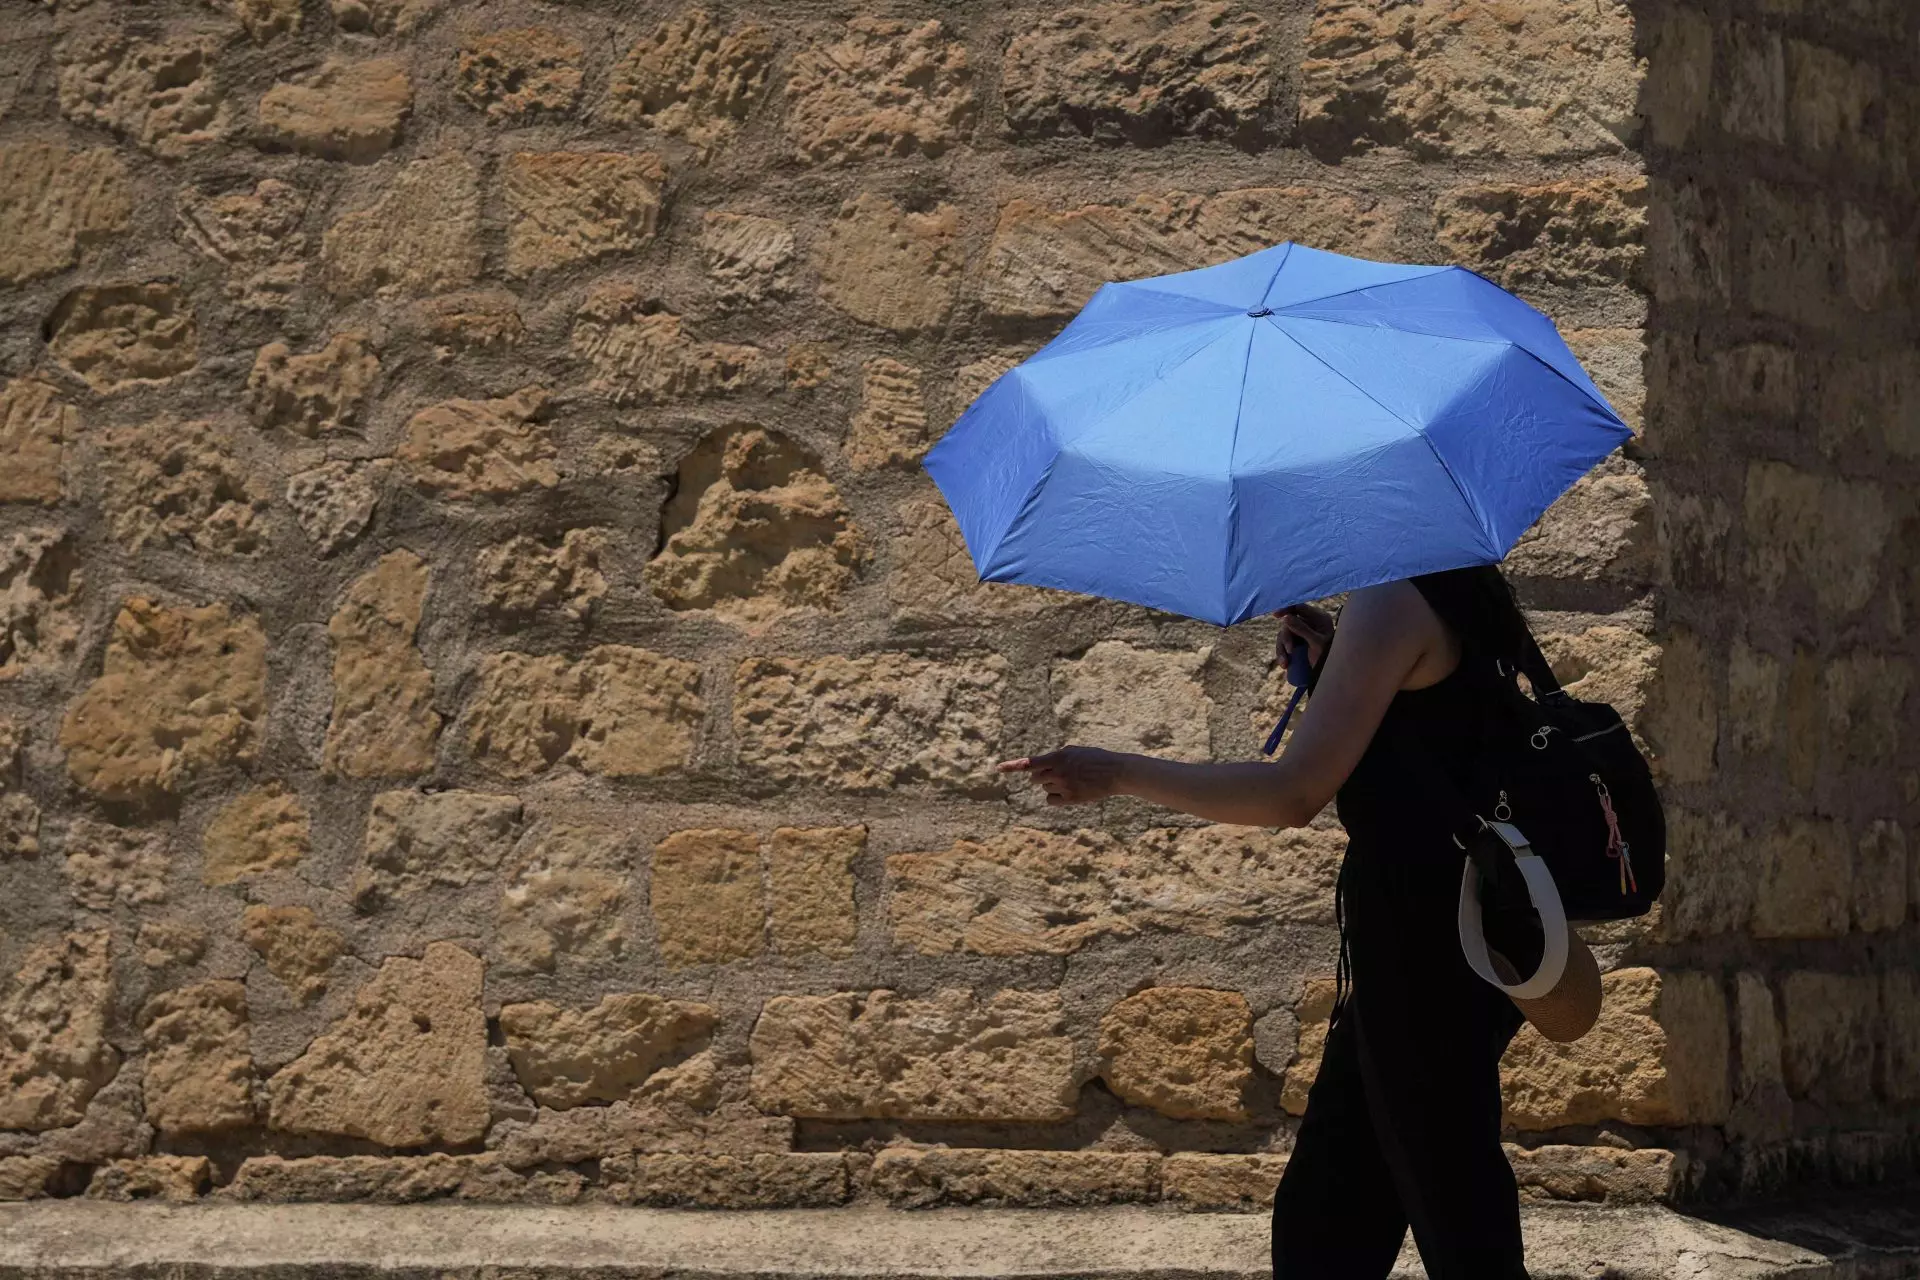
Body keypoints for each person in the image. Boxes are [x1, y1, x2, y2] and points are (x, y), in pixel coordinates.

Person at [999, 566, 1537, 1280]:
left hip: (1421, 959)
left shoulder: (1394, 600)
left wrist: (1116, 773)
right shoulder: (1458, 590)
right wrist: (1339, 651)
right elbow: (1429, 741)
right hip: (1451, 945)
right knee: (1328, 1219)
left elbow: (1291, 793)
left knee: (1455, 1219)